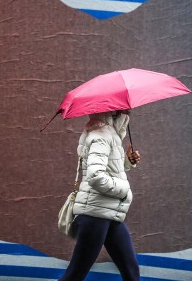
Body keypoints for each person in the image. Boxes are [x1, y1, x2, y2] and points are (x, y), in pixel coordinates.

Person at [59, 109, 141, 281]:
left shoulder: (109, 134)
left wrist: (127, 161)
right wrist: (124, 189)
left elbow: (110, 170)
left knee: (131, 272)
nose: (129, 109)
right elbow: (96, 176)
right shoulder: (101, 134)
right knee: (74, 275)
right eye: (125, 108)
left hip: (108, 212)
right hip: (95, 214)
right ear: (115, 111)